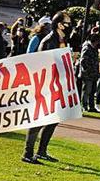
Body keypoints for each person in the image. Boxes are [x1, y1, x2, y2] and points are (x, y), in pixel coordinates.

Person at [22, 22, 67, 165]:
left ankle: (41, 150)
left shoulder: (58, 41)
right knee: (39, 119)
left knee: (53, 119)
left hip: (54, 84)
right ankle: (28, 153)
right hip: (44, 85)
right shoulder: (48, 41)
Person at [77, 33, 100, 113]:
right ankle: (84, 106)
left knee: (92, 91)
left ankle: (91, 106)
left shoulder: (94, 48)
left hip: (93, 73)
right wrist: (88, 70)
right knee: (87, 90)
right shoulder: (87, 48)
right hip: (88, 74)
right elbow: (83, 61)